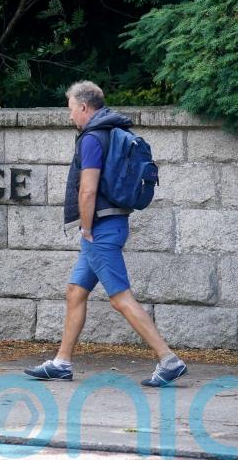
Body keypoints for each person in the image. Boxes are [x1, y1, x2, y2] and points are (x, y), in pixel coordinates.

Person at [23, 80, 187, 387]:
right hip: (110, 223)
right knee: (76, 291)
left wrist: (86, 227)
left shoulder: (92, 139)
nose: (70, 115)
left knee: (120, 297)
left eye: (71, 108)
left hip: (99, 228)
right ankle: (61, 362)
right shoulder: (113, 131)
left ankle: (169, 360)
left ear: (84, 107)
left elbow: (88, 189)